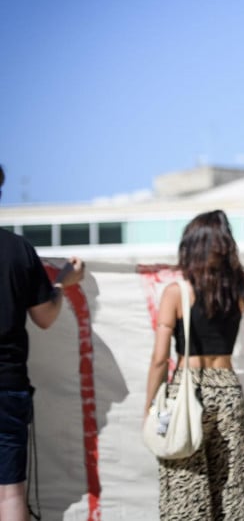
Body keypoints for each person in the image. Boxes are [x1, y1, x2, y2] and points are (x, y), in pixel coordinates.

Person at [144, 209, 244, 520]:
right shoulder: (237, 289)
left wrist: (150, 404)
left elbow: (159, 359)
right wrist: (236, 273)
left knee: (186, 484)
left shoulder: (176, 292)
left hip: (186, 389)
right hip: (227, 387)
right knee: (234, 485)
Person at [0, 165, 86, 521]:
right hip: (5, 386)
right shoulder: (17, 250)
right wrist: (63, 283)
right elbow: (45, 317)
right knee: (9, 494)